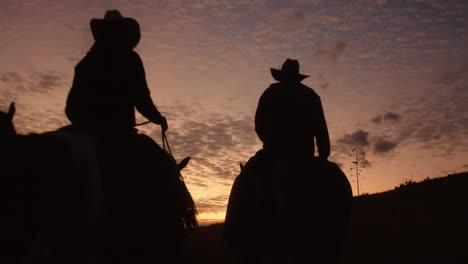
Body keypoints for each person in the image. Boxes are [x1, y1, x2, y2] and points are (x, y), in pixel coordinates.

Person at [65, 10, 167, 135]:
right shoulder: (130, 59)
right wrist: (158, 119)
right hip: (118, 130)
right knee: (151, 153)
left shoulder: (85, 62)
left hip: (85, 127)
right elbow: (141, 97)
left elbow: (71, 108)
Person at [255, 58, 330, 159]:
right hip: (303, 154)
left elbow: (259, 124)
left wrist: (269, 141)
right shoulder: (311, 96)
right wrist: (323, 154)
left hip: (273, 152)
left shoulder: (269, 93)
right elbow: (321, 128)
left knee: (249, 172)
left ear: (282, 75)